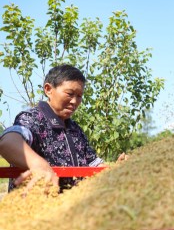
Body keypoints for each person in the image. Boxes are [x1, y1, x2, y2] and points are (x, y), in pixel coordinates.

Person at [0, 64, 126, 193]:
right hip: (36, 206)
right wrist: (39, 165)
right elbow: (7, 142)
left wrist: (116, 169)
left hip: (72, 208)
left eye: (79, 96)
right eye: (69, 94)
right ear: (48, 89)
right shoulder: (33, 119)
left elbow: (93, 165)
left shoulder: (75, 129)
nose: (74, 101)